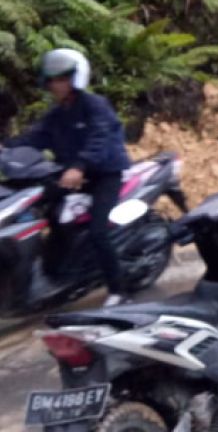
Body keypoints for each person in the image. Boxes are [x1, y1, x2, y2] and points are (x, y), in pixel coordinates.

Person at [8, 49, 132, 307]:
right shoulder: (56, 114)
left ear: (76, 77)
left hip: (105, 175)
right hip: (70, 175)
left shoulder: (95, 105)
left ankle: (118, 290)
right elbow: (34, 138)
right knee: (38, 208)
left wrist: (80, 166)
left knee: (99, 231)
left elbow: (100, 138)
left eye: (63, 78)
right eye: (53, 80)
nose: (57, 85)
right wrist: (7, 148)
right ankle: (52, 270)